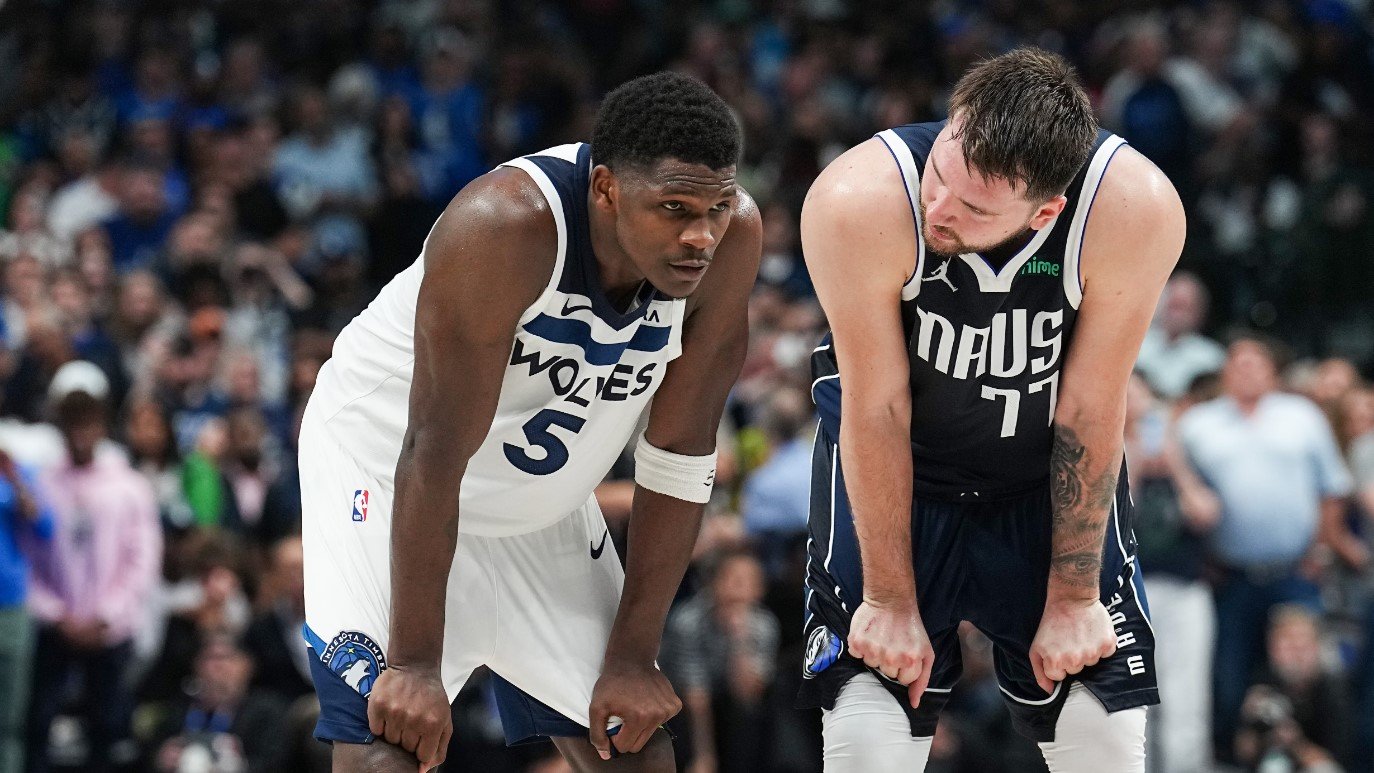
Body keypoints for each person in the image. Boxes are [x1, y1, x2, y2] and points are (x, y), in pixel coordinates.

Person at [299, 71, 760, 772]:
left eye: (717, 206)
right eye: (673, 208)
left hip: (538, 505)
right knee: (388, 744)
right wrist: (416, 664)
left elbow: (681, 454)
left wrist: (634, 656)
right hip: (390, 471)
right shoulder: (504, 226)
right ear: (605, 189)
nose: (700, 234)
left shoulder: (730, 243)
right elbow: (433, 453)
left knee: (634, 748)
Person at [798, 48, 1185, 772]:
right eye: (940, 173)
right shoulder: (857, 198)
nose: (938, 207)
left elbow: (1092, 405)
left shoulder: (1133, 208)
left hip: (1042, 480)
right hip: (896, 473)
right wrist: (886, 596)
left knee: (1103, 740)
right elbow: (876, 405)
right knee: (867, 738)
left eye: (974, 208)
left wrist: (1073, 595)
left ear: (1046, 212)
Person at [1175, 335, 1357, 760]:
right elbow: (1175, 479)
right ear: (1226, 372)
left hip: (1295, 571)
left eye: (1256, 363)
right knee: (1229, 678)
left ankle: (1320, 759)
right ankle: (1236, 761)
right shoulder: (1198, 424)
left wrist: (1320, 548)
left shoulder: (1302, 416)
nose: (1247, 371)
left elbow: (1332, 488)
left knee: (1310, 677)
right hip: (1230, 576)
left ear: (1272, 370)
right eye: (1239, 363)